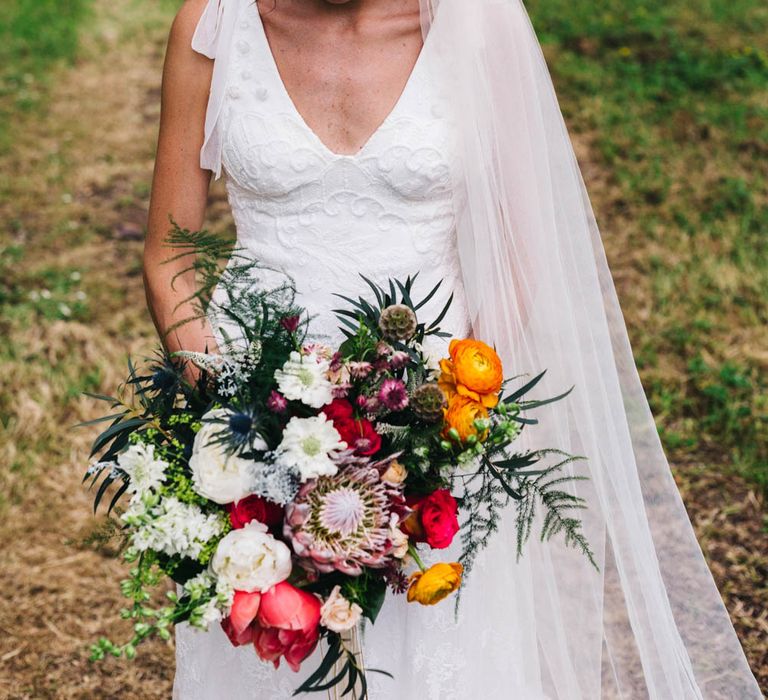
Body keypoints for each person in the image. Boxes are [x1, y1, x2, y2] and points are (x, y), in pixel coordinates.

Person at [144, 0, 761, 697]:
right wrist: (222, 405)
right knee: (272, 655)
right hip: (255, 414)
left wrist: (447, 428)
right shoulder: (213, 21)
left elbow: (523, 252)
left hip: (433, 415)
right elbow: (171, 251)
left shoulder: (480, 20)